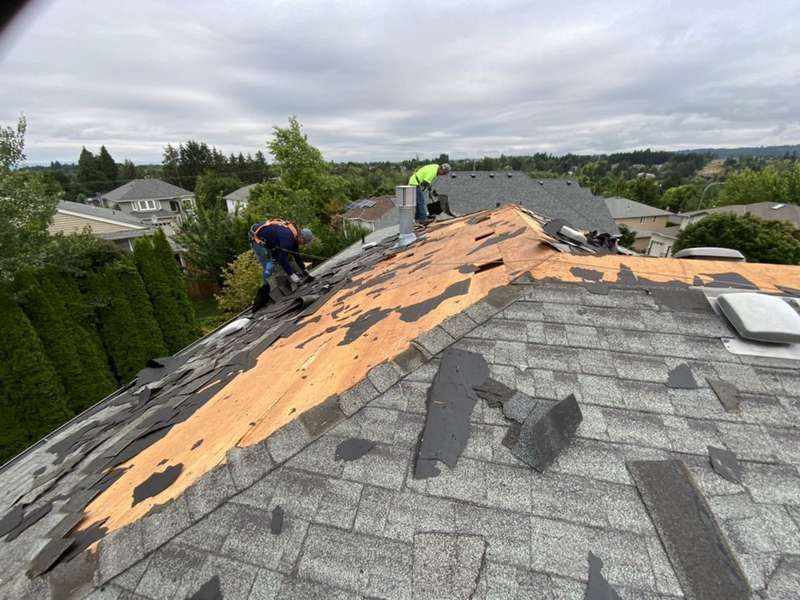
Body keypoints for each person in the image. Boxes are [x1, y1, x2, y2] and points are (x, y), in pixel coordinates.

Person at [249, 219, 313, 306]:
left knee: (282, 259)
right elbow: (283, 259)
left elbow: (296, 255)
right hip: (256, 238)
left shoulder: (294, 237)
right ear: (301, 237)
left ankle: (277, 287)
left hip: (271, 239)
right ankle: (264, 295)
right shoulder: (287, 238)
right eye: (304, 242)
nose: (303, 244)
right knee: (269, 266)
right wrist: (292, 275)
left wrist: (304, 270)